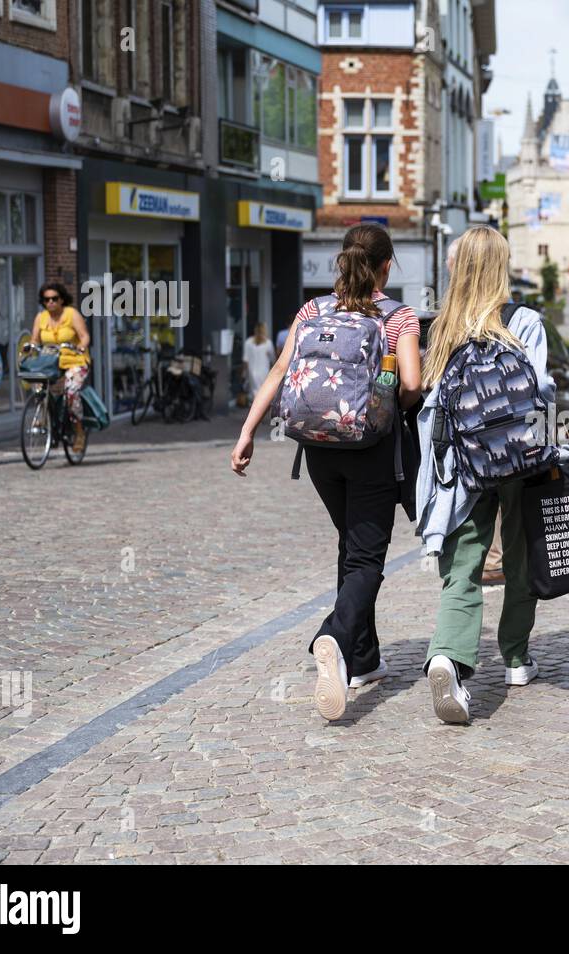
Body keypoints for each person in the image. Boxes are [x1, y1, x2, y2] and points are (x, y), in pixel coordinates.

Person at [230, 223, 422, 722]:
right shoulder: (397, 316)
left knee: (350, 545)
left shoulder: (312, 311)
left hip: (317, 448)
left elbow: (278, 372)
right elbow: (412, 385)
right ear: (386, 265)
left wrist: (248, 431)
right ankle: (333, 638)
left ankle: (364, 660)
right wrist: (389, 401)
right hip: (372, 447)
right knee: (367, 559)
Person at [416, 225, 555, 724]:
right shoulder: (525, 320)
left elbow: (433, 397)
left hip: (464, 464)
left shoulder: (445, 325)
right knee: (520, 553)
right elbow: (541, 390)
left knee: (465, 565)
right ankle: (516, 658)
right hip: (520, 457)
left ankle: (445, 657)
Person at [31, 282, 91, 453]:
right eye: (46, 299)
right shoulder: (40, 318)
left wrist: (81, 346)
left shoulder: (72, 315)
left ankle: (79, 431)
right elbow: (35, 339)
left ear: (62, 300)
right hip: (51, 360)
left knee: (71, 391)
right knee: (38, 384)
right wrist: (31, 346)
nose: (50, 302)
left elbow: (84, 336)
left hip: (74, 359)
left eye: (54, 299)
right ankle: (44, 416)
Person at [242, 323, 276, 398]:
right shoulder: (268, 343)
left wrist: (244, 373)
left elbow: (245, 360)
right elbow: (273, 359)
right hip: (264, 372)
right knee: (263, 395)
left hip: (252, 372)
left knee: (254, 394)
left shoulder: (248, 342)